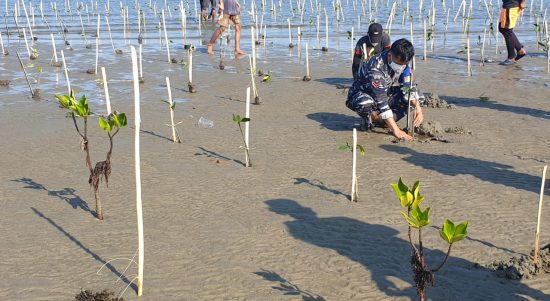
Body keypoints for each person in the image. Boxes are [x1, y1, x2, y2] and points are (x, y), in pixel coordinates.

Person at [346, 38, 424, 141]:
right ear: (390, 55)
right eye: (399, 63)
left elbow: (407, 87)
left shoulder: (404, 64)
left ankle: (382, 121)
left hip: (386, 91)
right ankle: (369, 120)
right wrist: (396, 131)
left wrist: (418, 109)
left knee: (418, 98)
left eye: (403, 64)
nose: (401, 67)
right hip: (362, 94)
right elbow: (381, 101)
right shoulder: (376, 68)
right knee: (365, 103)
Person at [498, 0, 527, 65]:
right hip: (508, 5)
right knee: (503, 28)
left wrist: (523, 1)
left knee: (506, 29)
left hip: (511, 5)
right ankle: (520, 50)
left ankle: (511, 58)